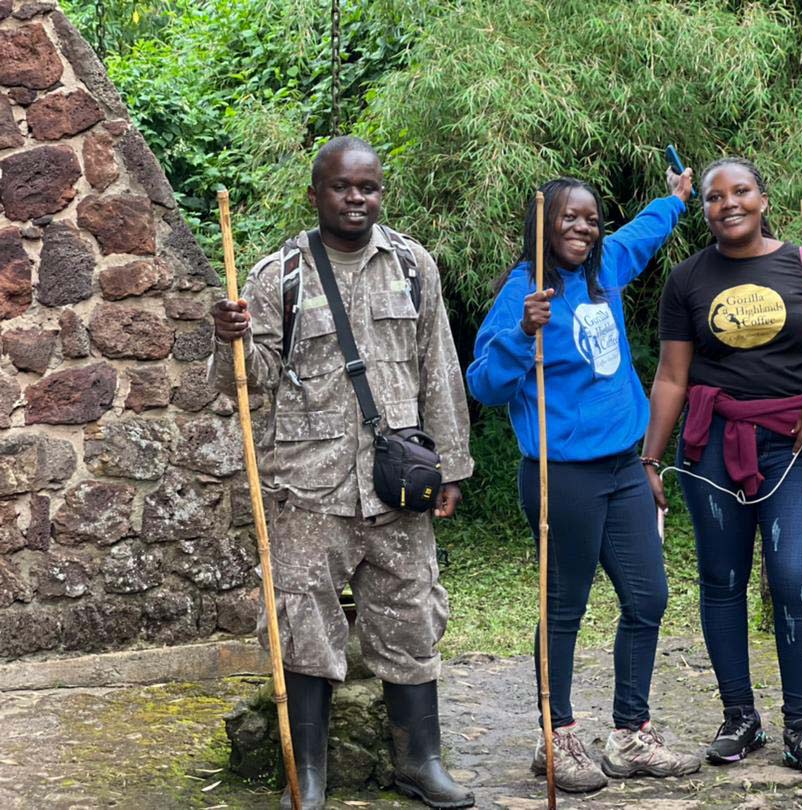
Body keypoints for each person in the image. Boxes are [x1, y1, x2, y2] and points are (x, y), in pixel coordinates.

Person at [209, 137, 475, 809]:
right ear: (315, 194)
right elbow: (251, 379)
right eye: (341, 187)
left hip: (398, 483)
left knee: (412, 614)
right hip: (308, 486)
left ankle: (421, 762)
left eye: (368, 187)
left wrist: (451, 467)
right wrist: (230, 339)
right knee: (304, 623)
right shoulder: (279, 276)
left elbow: (438, 368)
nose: (356, 198)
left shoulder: (412, 266)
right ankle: (309, 774)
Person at [467, 168, 701, 793]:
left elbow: (644, 233)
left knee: (648, 597)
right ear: (542, 224)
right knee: (564, 606)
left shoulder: (605, 270)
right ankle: (558, 736)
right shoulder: (523, 291)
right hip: (561, 476)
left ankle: (630, 733)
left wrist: (675, 198)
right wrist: (523, 333)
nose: (582, 227)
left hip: (624, 467)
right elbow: (484, 385)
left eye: (591, 218)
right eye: (568, 217)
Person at [641, 157, 802, 775]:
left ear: (764, 199)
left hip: (797, 441)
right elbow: (672, 376)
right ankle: (739, 716)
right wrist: (651, 458)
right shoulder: (687, 279)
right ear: (704, 210)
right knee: (721, 579)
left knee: (796, 577)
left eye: (740, 191)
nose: (728, 204)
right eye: (714, 197)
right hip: (715, 445)